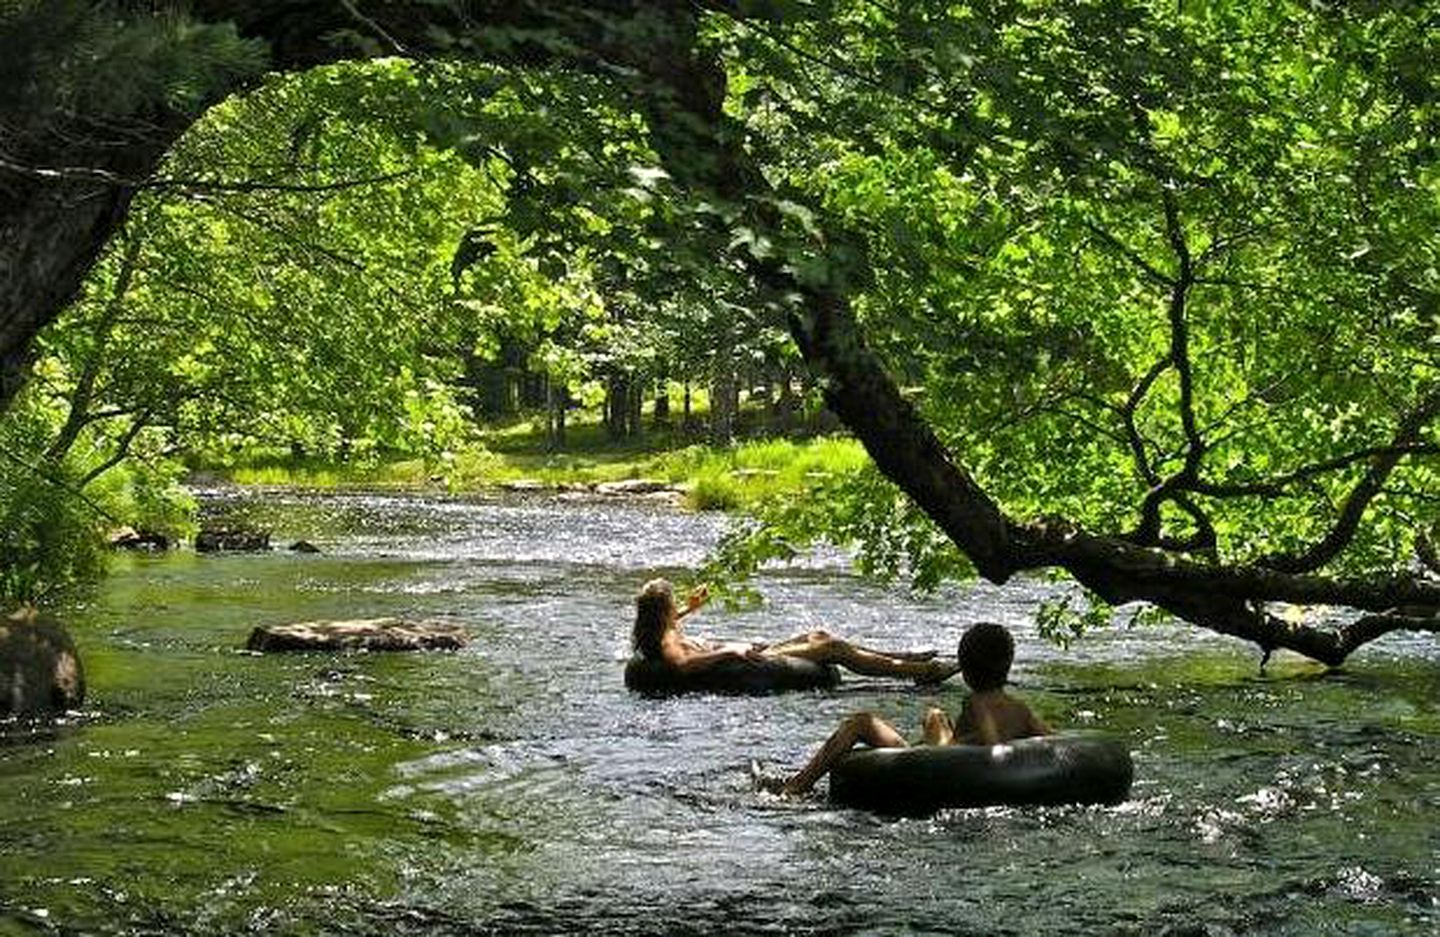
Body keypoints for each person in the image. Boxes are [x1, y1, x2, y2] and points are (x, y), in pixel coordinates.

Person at [765, 621, 1052, 795]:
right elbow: (1051, 738)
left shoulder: (976, 702)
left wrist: (934, 725)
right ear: (1008, 665)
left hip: (944, 766)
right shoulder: (1022, 709)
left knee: (864, 722)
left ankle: (797, 786)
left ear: (965, 671)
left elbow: (987, 749)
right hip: (956, 758)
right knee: (935, 719)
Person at [631, 577, 959, 683]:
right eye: (674, 603)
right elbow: (680, 664)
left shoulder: (658, 627)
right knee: (832, 648)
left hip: (750, 655)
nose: (678, 609)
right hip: (745, 660)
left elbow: (673, 629)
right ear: (663, 610)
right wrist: (730, 650)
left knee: (817, 635)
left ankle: (902, 658)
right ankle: (921, 671)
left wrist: (691, 608)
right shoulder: (667, 638)